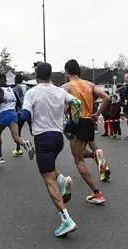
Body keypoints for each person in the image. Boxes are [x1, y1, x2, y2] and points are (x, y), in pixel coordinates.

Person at [21, 62, 81, 237]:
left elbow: (25, 115)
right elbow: (76, 102)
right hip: (58, 138)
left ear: (37, 75)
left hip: (43, 138)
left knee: (48, 180)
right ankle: (62, 179)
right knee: (50, 167)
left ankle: (66, 220)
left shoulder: (32, 92)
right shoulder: (60, 91)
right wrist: (73, 121)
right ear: (51, 75)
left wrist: (19, 129)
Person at [62, 59, 110, 203]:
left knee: (78, 159)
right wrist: (97, 114)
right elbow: (107, 97)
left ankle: (97, 193)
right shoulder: (90, 84)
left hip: (77, 122)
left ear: (67, 71)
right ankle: (98, 156)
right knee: (89, 143)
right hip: (89, 120)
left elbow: (62, 107)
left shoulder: (66, 87)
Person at [0, 73, 34, 164]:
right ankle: (26, 144)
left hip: (3, 114)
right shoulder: (12, 90)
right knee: (16, 137)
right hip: (13, 114)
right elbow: (19, 103)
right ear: (6, 81)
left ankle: (0, 157)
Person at [12, 74, 33, 157]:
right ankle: (40, 147)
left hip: (20, 112)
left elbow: (15, 102)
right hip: (29, 111)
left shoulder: (15, 89)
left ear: (16, 80)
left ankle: (18, 150)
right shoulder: (28, 88)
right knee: (33, 130)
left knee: (18, 132)